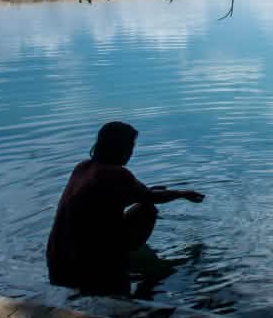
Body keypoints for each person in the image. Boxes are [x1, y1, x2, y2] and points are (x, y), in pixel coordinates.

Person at [46, 121, 205, 296]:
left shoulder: (83, 167)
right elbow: (151, 197)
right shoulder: (114, 173)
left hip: (57, 255)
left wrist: (154, 193)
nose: (131, 152)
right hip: (84, 260)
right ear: (119, 148)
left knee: (143, 205)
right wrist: (183, 194)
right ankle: (138, 279)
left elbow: (129, 194)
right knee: (147, 210)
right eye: (130, 146)